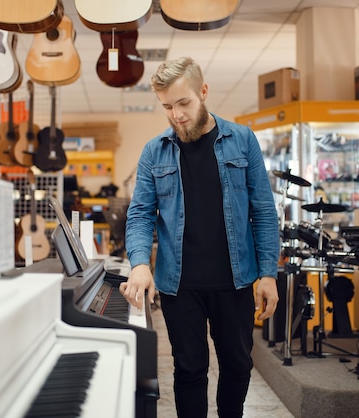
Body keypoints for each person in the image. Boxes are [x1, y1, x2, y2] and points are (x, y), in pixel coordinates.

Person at [120, 57, 280, 418]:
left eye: (183, 103)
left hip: (235, 280)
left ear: (203, 92)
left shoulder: (241, 140)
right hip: (180, 286)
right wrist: (140, 264)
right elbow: (140, 215)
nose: (176, 115)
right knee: (190, 371)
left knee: (237, 367)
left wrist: (268, 272)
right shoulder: (153, 152)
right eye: (167, 107)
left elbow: (264, 211)